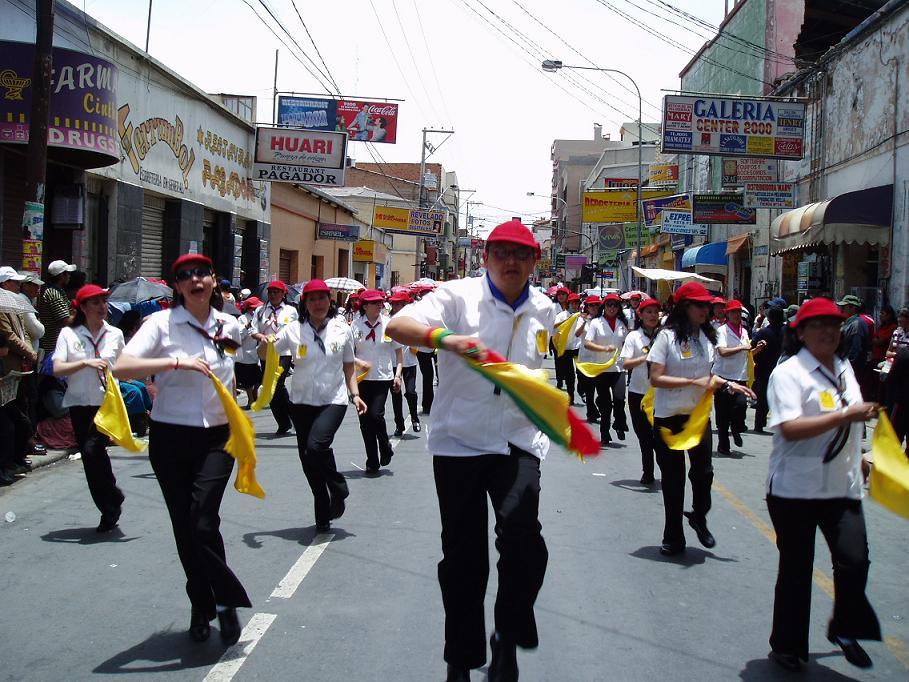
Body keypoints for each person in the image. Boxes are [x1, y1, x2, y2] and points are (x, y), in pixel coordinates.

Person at [386, 219, 554, 682]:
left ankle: (507, 631)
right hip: (459, 443)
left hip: (518, 441)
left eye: (522, 254)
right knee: (464, 560)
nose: (511, 261)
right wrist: (446, 339)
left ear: (535, 262)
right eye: (502, 252)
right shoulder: (457, 296)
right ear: (486, 257)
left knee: (525, 544)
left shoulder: (544, 308)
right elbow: (398, 324)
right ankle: (461, 658)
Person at [113, 253, 250, 646]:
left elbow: (230, 369)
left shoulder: (231, 325)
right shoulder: (160, 324)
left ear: (212, 279)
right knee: (185, 528)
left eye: (202, 273)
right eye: (185, 276)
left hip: (218, 438)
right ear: (177, 286)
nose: (195, 280)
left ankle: (224, 602)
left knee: (203, 520)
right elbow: (123, 367)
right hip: (171, 437)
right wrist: (175, 362)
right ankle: (202, 604)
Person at [764, 297, 881, 671]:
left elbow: (850, 419)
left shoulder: (844, 367)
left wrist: (858, 455)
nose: (827, 331)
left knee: (854, 560)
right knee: (797, 569)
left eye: (833, 324)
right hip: (794, 488)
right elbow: (789, 428)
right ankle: (787, 645)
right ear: (799, 332)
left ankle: (845, 627)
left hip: (841, 485)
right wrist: (846, 415)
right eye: (817, 325)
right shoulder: (789, 373)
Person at [648, 283, 754, 555]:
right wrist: (692, 381)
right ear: (684, 308)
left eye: (708, 305)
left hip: (698, 416)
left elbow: (709, 376)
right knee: (674, 479)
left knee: (704, 473)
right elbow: (656, 378)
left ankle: (698, 515)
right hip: (669, 417)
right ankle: (673, 535)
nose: (706, 309)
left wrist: (730, 385)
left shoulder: (707, 338)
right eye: (699, 305)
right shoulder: (666, 337)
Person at [274, 279, 366, 532]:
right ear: (305, 303)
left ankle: (338, 487)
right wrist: (260, 339)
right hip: (301, 402)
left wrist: (354, 394)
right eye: (312, 299)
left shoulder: (342, 329)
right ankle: (323, 512)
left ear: (330, 301)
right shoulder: (293, 329)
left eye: (322, 298)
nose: (318, 303)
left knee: (316, 447)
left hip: (332, 400)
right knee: (308, 461)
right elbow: (268, 352)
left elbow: (349, 364)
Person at [52, 285, 126, 532]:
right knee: (90, 455)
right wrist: (85, 362)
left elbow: (125, 366)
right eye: (95, 303)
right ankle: (110, 501)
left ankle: (111, 501)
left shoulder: (114, 334)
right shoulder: (68, 334)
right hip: (78, 403)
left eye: (104, 301)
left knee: (94, 449)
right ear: (82, 308)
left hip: (106, 402)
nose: (102, 307)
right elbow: (58, 369)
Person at [352, 289, 403, 476]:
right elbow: (349, 354)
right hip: (361, 379)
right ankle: (372, 460)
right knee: (365, 422)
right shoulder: (355, 326)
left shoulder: (389, 324)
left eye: (380, 302)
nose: (379, 306)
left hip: (383, 376)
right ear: (364, 306)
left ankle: (384, 445)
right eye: (374, 303)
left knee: (376, 415)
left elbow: (399, 353)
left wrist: (398, 375)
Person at [713, 299, 765, 454]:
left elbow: (746, 354)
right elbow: (722, 352)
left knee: (740, 406)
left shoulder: (744, 331)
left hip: (740, 376)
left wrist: (757, 349)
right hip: (723, 376)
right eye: (733, 312)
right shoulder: (721, 331)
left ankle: (736, 429)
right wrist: (743, 347)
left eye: (738, 312)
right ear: (727, 314)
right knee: (723, 413)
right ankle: (723, 444)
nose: (736, 315)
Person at [620, 297, 661, 484]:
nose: (653, 315)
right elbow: (624, 363)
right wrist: (644, 358)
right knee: (644, 436)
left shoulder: (666, 336)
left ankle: (666, 470)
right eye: (649, 312)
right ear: (641, 315)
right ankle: (648, 471)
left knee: (659, 437)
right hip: (638, 392)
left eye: (655, 312)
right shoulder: (634, 337)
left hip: (661, 394)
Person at [251, 280, 298, 436]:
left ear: (283, 294)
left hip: (283, 353)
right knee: (272, 389)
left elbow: (296, 331)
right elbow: (253, 330)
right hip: (266, 352)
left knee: (277, 384)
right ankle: (284, 422)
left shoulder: (291, 311)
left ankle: (292, 418)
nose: (273, 295)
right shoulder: (260, 311)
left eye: (276, 292)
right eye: (271, 292)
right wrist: (262, 337)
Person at [583, 293, 629, 445]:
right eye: (609, 304)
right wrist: (603, 348)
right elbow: (587, 343)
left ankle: (619, 423)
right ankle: (604, 432)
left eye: (615, 305)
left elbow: (629, 343)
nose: (612, 308)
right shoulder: (596, 323)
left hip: (618, 368)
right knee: (605, 403)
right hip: (601, 369)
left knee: (619, 399)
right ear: (604, 306)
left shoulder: (623, 323)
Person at [389, 292, 421, 436]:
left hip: (409, 361)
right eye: (394, 304)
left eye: (399, 304)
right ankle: (399, 424)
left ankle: (414, 417)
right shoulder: (388, 320)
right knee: (396, 394)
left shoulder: (413, 319)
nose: (396, 307)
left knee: (411, 391)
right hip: (393, 362)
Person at [752, 305, 785, 433]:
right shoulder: (788, 331)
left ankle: (759, 424)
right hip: (783, 370)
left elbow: (752, 347)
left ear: (770, 318)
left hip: (764, 370)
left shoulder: (763, 332)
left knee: (762, 398)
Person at [37, 260, 76, 355]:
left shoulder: (58, 292)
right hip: (53, 346)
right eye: (67, 274)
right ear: (61, 276)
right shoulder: (54, 294)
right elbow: (66, 320)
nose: (69, 276)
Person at [576, 295, 603, 423]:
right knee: (588, 388)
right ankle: (590, 411)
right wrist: (585, 322)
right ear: (587, 307)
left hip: (599, 359)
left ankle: (597, 407)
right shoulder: (582, 319)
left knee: (600, 388)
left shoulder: (603, 320)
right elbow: (577, 334)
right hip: (585, 358)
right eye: (591, 305)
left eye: (596, 305)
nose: (594, 307)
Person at [837, 295, 870, 398]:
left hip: (853, 368)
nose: (841, 309)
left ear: (853, 308)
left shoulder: (857, 324)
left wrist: (848, 367)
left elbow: (856, 350)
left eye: (844, 307)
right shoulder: (850, 323)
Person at [235, 297, 264, 408]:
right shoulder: (242, 319)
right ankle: (250, 400)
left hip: (257, 354)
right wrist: (247, 326)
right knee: (247, 381)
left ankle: (254, 393)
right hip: (245, 356)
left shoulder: (260, 318)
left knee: (259, 380)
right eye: (254, 308)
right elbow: (239, 336)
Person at [553, 292, 581, 404]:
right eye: (572, 303)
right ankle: (570, 396)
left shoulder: (581, 316)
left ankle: (581, 389)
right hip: (566, 348)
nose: (574, 305)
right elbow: (554, 325)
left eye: (576, 303)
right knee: (570, 375)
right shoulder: (562, 315)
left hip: (578, 347)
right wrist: (568, 320)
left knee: (581, 372)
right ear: (569, 304)